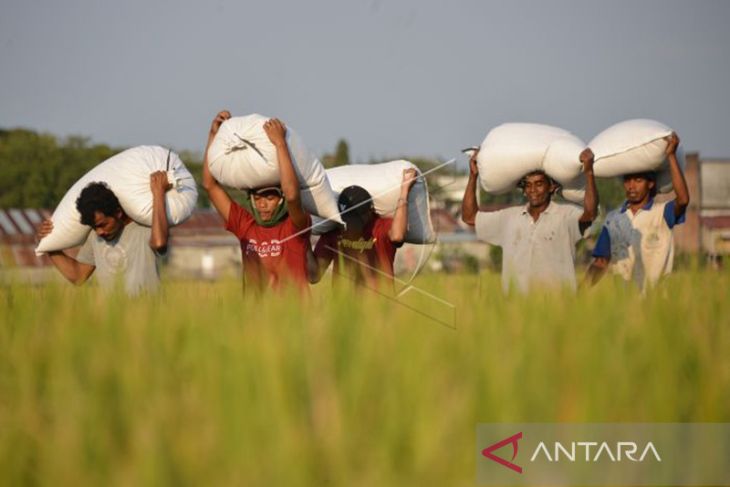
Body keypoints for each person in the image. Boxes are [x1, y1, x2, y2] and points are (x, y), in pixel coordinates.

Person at [202, 110, 312, 292]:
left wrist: (280, 143)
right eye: (257, 198)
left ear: (281, 200)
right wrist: (214, 135)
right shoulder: (246, 226)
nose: (262, 204)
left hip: (294, 316)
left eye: (270, 198)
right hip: (256, 318)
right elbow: (209, 185)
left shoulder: (296, 226)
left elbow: (292, 195)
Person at [461, 148, 598, 293]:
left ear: (551, 187)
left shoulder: (566, 215)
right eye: (528, 185)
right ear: (524, 190)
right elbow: (469, 217)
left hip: (558, 307)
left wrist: (589, 173)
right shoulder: (509, 218)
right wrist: (473, 175)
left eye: (539, 184)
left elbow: (589, 214)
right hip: (516, 308)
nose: (532, 190)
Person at [36, 174, 171, 296]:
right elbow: (78, 276)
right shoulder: (95, 237)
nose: (99, 232)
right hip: (114, 319)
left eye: (102, 224)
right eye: (94, 227)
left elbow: (159, 243)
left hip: (149, 317)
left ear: (117, 213)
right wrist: (49, 243)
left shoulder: (143, 227)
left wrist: (158, 193)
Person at [586, 133, 688, 291]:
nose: (631, 186)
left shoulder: (662, 213)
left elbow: (683, 200)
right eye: (627, 181)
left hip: (657, 303)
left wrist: (671, 156)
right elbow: (600, 262)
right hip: (623, 304)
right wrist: (577, 295)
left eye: (638, 181)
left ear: (651, 184)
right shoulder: (613, 219)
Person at [310, 168, 418, 290]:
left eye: (356, 221)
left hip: (379, 307)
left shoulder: (381, 227)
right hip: (343, 306)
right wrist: (302, 234)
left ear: (370, 211)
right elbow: (314, 275)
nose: (351, 228)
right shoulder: (333, 232)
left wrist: (404, 190)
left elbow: (398, 236)